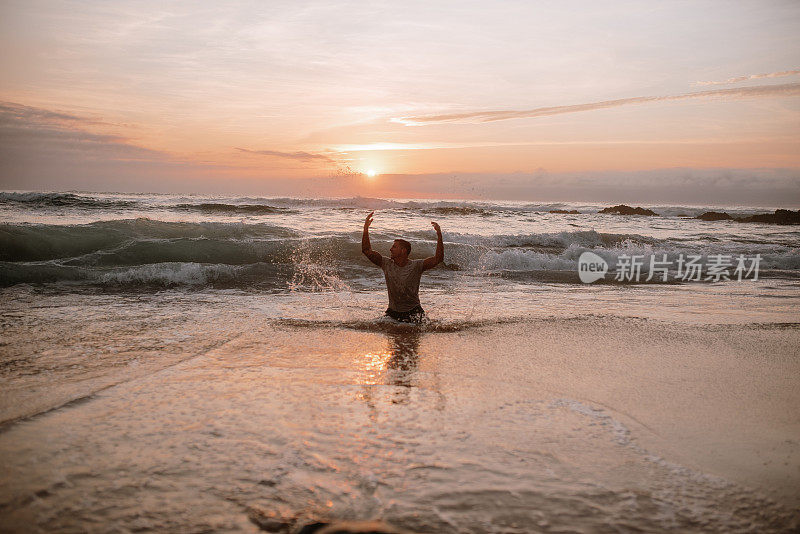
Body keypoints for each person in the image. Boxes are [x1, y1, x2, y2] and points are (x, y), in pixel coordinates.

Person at [361, 211, 444, 323]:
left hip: (414, 312)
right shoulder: (386, 264)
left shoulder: (416, 266)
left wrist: (439, 235)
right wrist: (365, 228)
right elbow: (366, 251)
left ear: (403, 251)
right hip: (392, 313)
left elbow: (438, 259)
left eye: (394, 247)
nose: (390, 249)